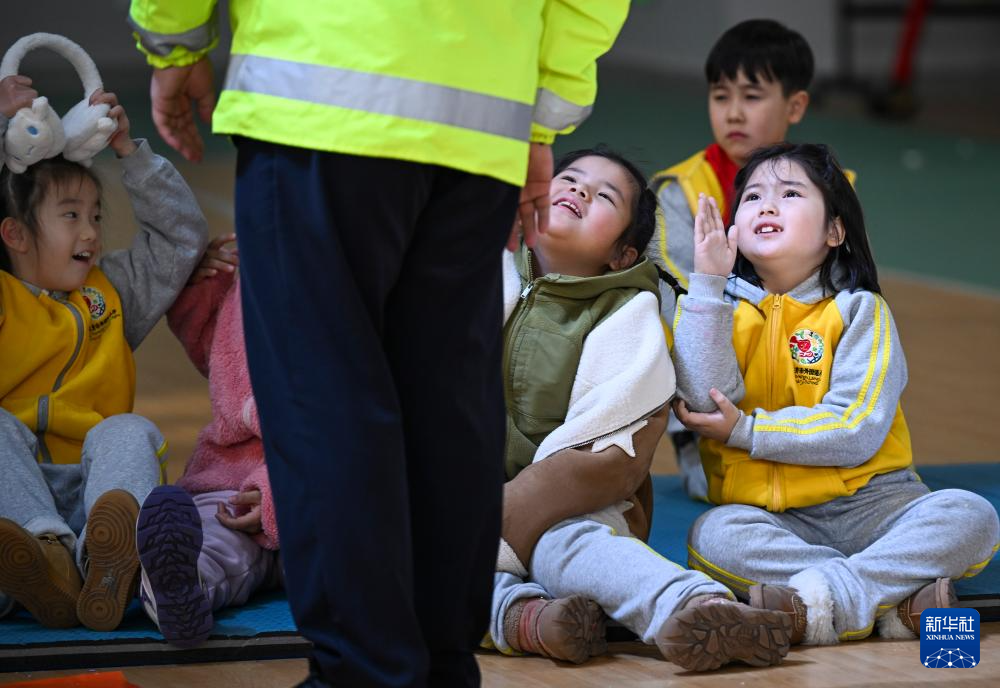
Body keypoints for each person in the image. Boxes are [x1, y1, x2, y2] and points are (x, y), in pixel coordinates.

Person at [127, 2, 632, 685]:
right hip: (481, 115)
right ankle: (440, 666)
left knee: (323, 396)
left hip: (319, 87)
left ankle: (362, 672)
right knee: (446, 405)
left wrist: (174, 41)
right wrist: (540, 118)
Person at [671, 142, 1000, 646]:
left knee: (970, 516)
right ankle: (895, 598)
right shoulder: (715, 309)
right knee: (713, 535)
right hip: (774, 520)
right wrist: (708, 285)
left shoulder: (859, 310)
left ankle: (819, 601)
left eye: (790, 194)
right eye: (753, 196)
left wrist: (748, 431)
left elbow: (855, 428)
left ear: (834, 231)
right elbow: (702, 399)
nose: (767, 205)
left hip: (877, 507)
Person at [486, 147, 792, 672]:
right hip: (463, 496)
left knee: (569, 547)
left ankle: (693, 606)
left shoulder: (630, 317)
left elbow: (601, 458)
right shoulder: (479, 272)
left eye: (604, 196)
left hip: (573, 505)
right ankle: (530, 620)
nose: (579, 190)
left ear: (623, 255)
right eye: (569, 178)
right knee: (391, 547)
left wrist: (485, 529)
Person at [0, 83, 208, 630]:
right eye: (71, 215)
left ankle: (103, 562)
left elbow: (180, 240)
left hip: (93, 495)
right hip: (14, 506)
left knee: (129, 429)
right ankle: (43, 557)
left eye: (95, 215)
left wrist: (129, 154)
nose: (91, 231)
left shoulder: (111, 291)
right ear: (15, 234)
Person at [647, 19, 814, 500]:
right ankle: (696, 444)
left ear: (795, 105)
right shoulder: (680, 192)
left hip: (799, 381)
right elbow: (680, 304)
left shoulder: (829, 190)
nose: (734, 112)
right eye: (721, 96)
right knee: (728, 492)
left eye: (752, 96)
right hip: (712, 382)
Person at [135, 234, 282, 648]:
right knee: (211, 542)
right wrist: (201, 283)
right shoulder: (249, 277)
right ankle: (180, 589)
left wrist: (281, 495)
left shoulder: (346, 293)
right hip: (230, 485)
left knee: (362, 550)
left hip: (316, 496)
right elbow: (211, 352)